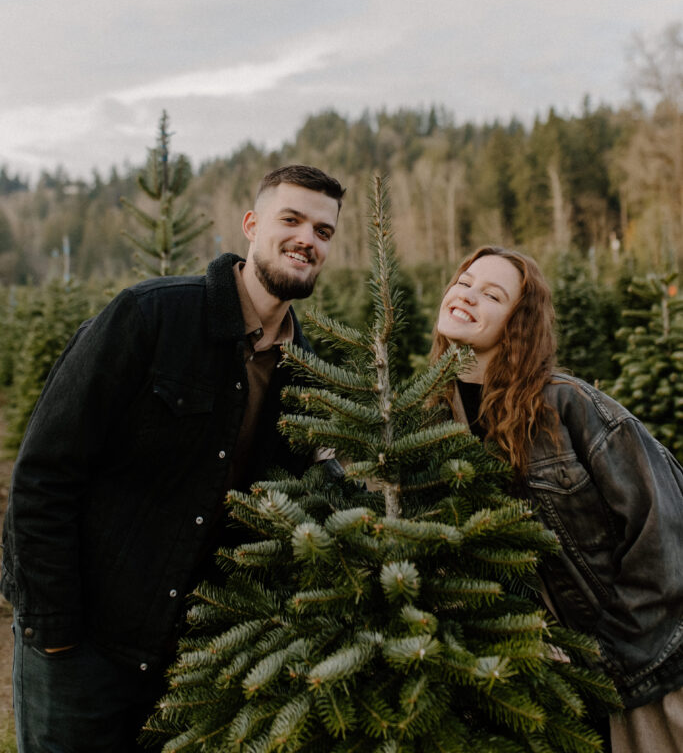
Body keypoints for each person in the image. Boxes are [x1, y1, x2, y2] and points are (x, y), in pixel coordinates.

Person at [1, 163, 345, 753]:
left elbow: (300, 503)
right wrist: (56, 628)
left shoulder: (307, 373)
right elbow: (44, 472)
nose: (307, 240)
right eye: (291, 220)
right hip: (85, 644)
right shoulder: (151, 315)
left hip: (191, 662)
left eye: (323, 231)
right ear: (251, 224)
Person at [430, 245, 683, 753]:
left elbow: (666, 531)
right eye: (465, 281)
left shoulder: (569, 405)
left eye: (492, 294)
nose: (467, 294)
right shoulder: (433, 423)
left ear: (517, 324)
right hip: (532, 687)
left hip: (638, 672)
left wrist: (605, 658)